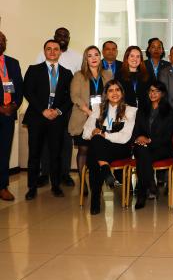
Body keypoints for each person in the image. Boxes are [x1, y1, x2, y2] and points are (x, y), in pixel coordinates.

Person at [23, 39, 73, 200]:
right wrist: (43, 110)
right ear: (44, 51)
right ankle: (31, 187)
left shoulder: (66, 73)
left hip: (57, 119)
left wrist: (58, 111)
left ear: (60, 52)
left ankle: (56, 186)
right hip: (37, 117)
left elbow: (70, 97)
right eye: (49, 49)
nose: (52, 52)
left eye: (55, 49)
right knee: (34, 154)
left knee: (56, 153)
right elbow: (28, 92)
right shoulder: (34, 69)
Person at [82, 80, 137, 214]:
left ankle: (95, 199)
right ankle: (105, 169)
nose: (114, 93)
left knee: (96, 148)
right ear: (106, 94)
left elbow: (125, 137)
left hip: (120, 149)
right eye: (110, 90)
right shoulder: (98, 109)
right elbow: (85, 132)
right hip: (102, 148)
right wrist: (94, 132)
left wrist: (104, 135)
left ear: (122, 93)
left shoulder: (131, 110)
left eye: (117, 90)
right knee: (95, 142)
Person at [35, 28, 80, 188]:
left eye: (65, 36)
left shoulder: (76, 56)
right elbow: (38, 77)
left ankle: (65, 174)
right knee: (46, 141)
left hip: (66, 108)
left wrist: (62, 108)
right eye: (59, 36)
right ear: (54, 37)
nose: (62, 38)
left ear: (69, 38)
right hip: (46, 108)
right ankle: (45, 173)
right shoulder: (44, 54)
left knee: (66, 141)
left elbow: (77, 83)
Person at [68, 46, 113, 184]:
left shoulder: (108, 74)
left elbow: (113, 94)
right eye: (90, 55)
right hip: (83, 116)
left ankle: (97, 180)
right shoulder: (79, 75)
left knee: (98, 149)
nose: (93, 58)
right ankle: (82, 182)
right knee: (83, 149)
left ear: (100, 58)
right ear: (86, 59)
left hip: (102, 118)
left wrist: (103, 112)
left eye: (96, 55)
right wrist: (89, 112)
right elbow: (74, 96)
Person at [132, 81, 173, 209]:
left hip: (162, 148)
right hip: (143, 147)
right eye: (151, 90)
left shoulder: (170, 112)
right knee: (143, 152)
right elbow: (136, 130)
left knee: (142, 156)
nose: (153, 93)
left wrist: (149, 141)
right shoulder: (142, 110)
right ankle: (150, 185)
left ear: (162, 94)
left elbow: (167, 137)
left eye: (156, 91)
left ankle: (144, 192)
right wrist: (140, 137)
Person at [0, 31, 23, 201]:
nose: (1, 42)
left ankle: (2, 187)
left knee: (4, 152)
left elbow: (19, 88)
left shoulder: (12, 63)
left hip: (8, 115)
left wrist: (14, 105)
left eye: (3, 40)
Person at [115, 46, 151, 111]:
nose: (135, 59)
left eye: (138, 56)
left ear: (141, 59)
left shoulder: (147, 75)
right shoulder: (119, 75)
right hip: (124, 111)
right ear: (126, 58)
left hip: (144, 112)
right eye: (132, 56)